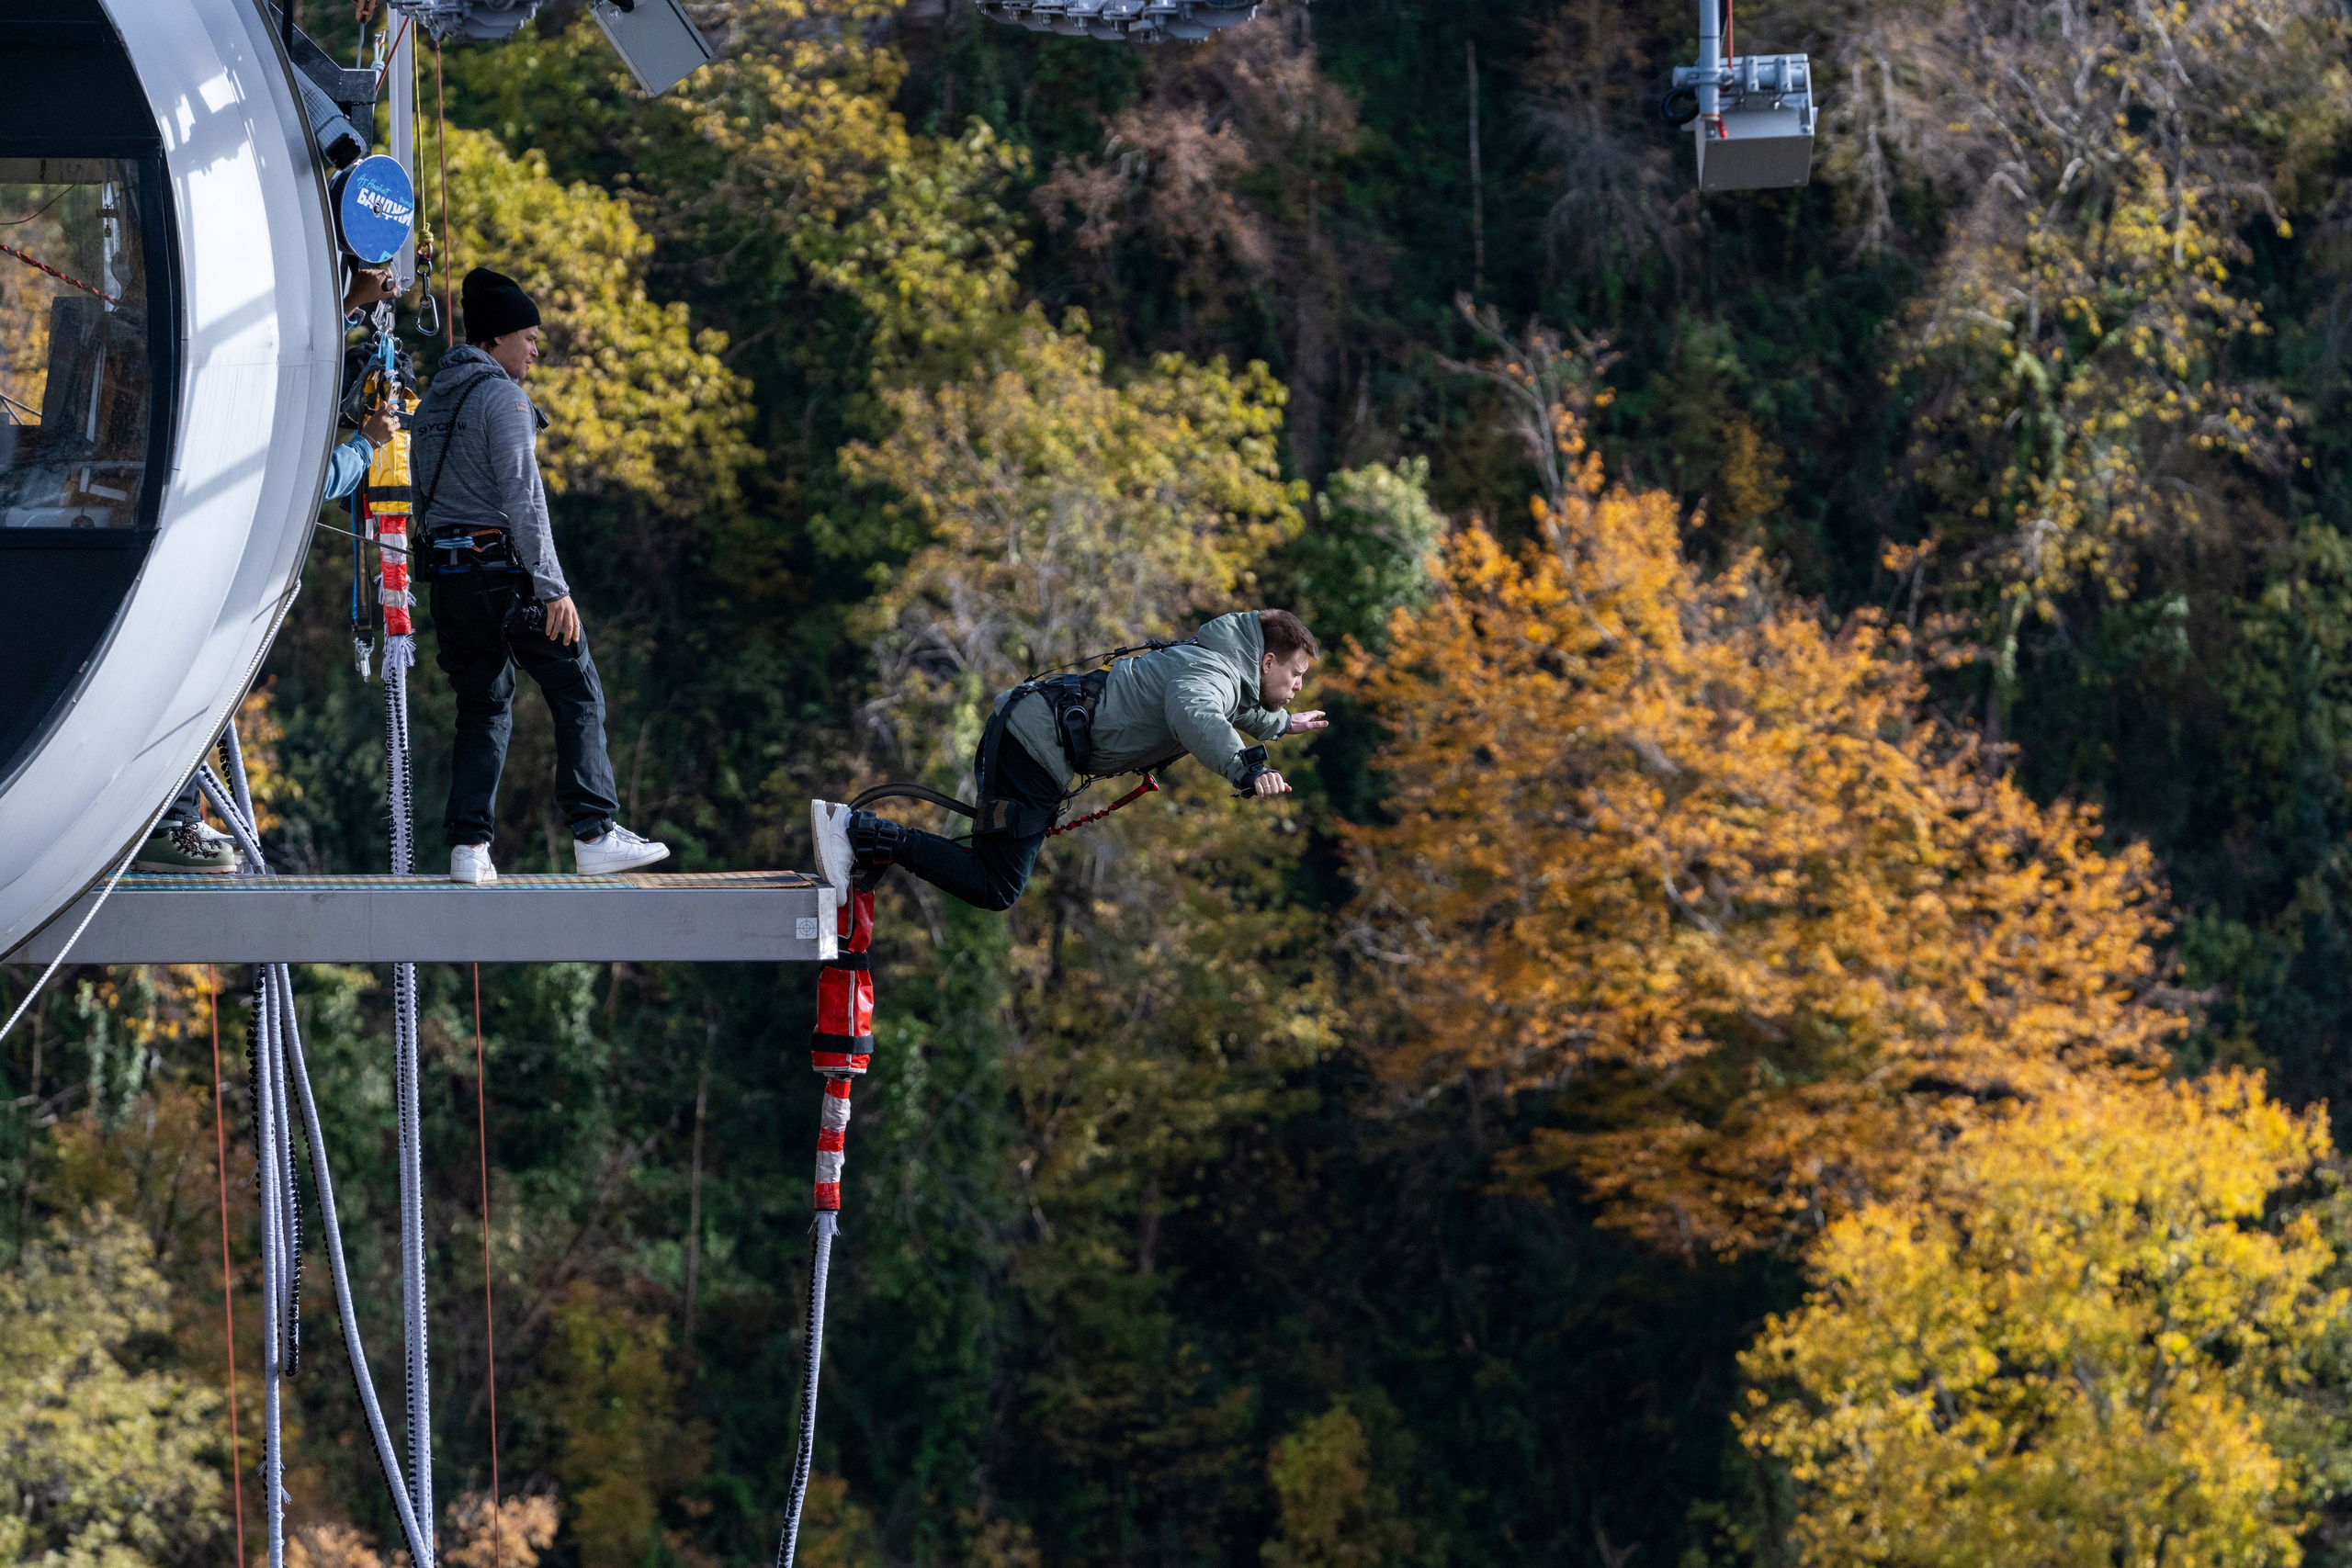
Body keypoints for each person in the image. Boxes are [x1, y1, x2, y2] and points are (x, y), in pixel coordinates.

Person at [135, 270, 408, 874]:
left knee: (196, 687)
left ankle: (174, 820)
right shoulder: (235, 388)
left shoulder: (202, 367)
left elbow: (284, 368)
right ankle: (171, 823)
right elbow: (307, 478)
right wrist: (365, 443)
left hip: (184, 546)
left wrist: (352, 304)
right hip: (206, 557)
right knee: (196, 687)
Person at [407, 266, 668, 884]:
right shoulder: (504, 399)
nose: (534, 350)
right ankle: (596, 832)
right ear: (495, 338)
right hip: (506, 575)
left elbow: (421, 497)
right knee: (577, 687)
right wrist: (554, 587)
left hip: (448, 578)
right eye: (528, 337)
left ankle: (469, 849)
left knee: (482, 706)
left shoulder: (430, 406)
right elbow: (525, 499)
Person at [811, 609, 1329, 908]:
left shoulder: (1217, 666)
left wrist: (1285, 723)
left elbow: (1237, 708)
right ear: (1266, 661)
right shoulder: (1210, 676)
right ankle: (865, 833)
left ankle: (869, 840)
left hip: (1028, 729)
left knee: (992, 874)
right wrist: (1249, 768)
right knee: (997, 886)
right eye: (1297, 674)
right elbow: (1197, 714)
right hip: (1035, 742)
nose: (1299, 685)